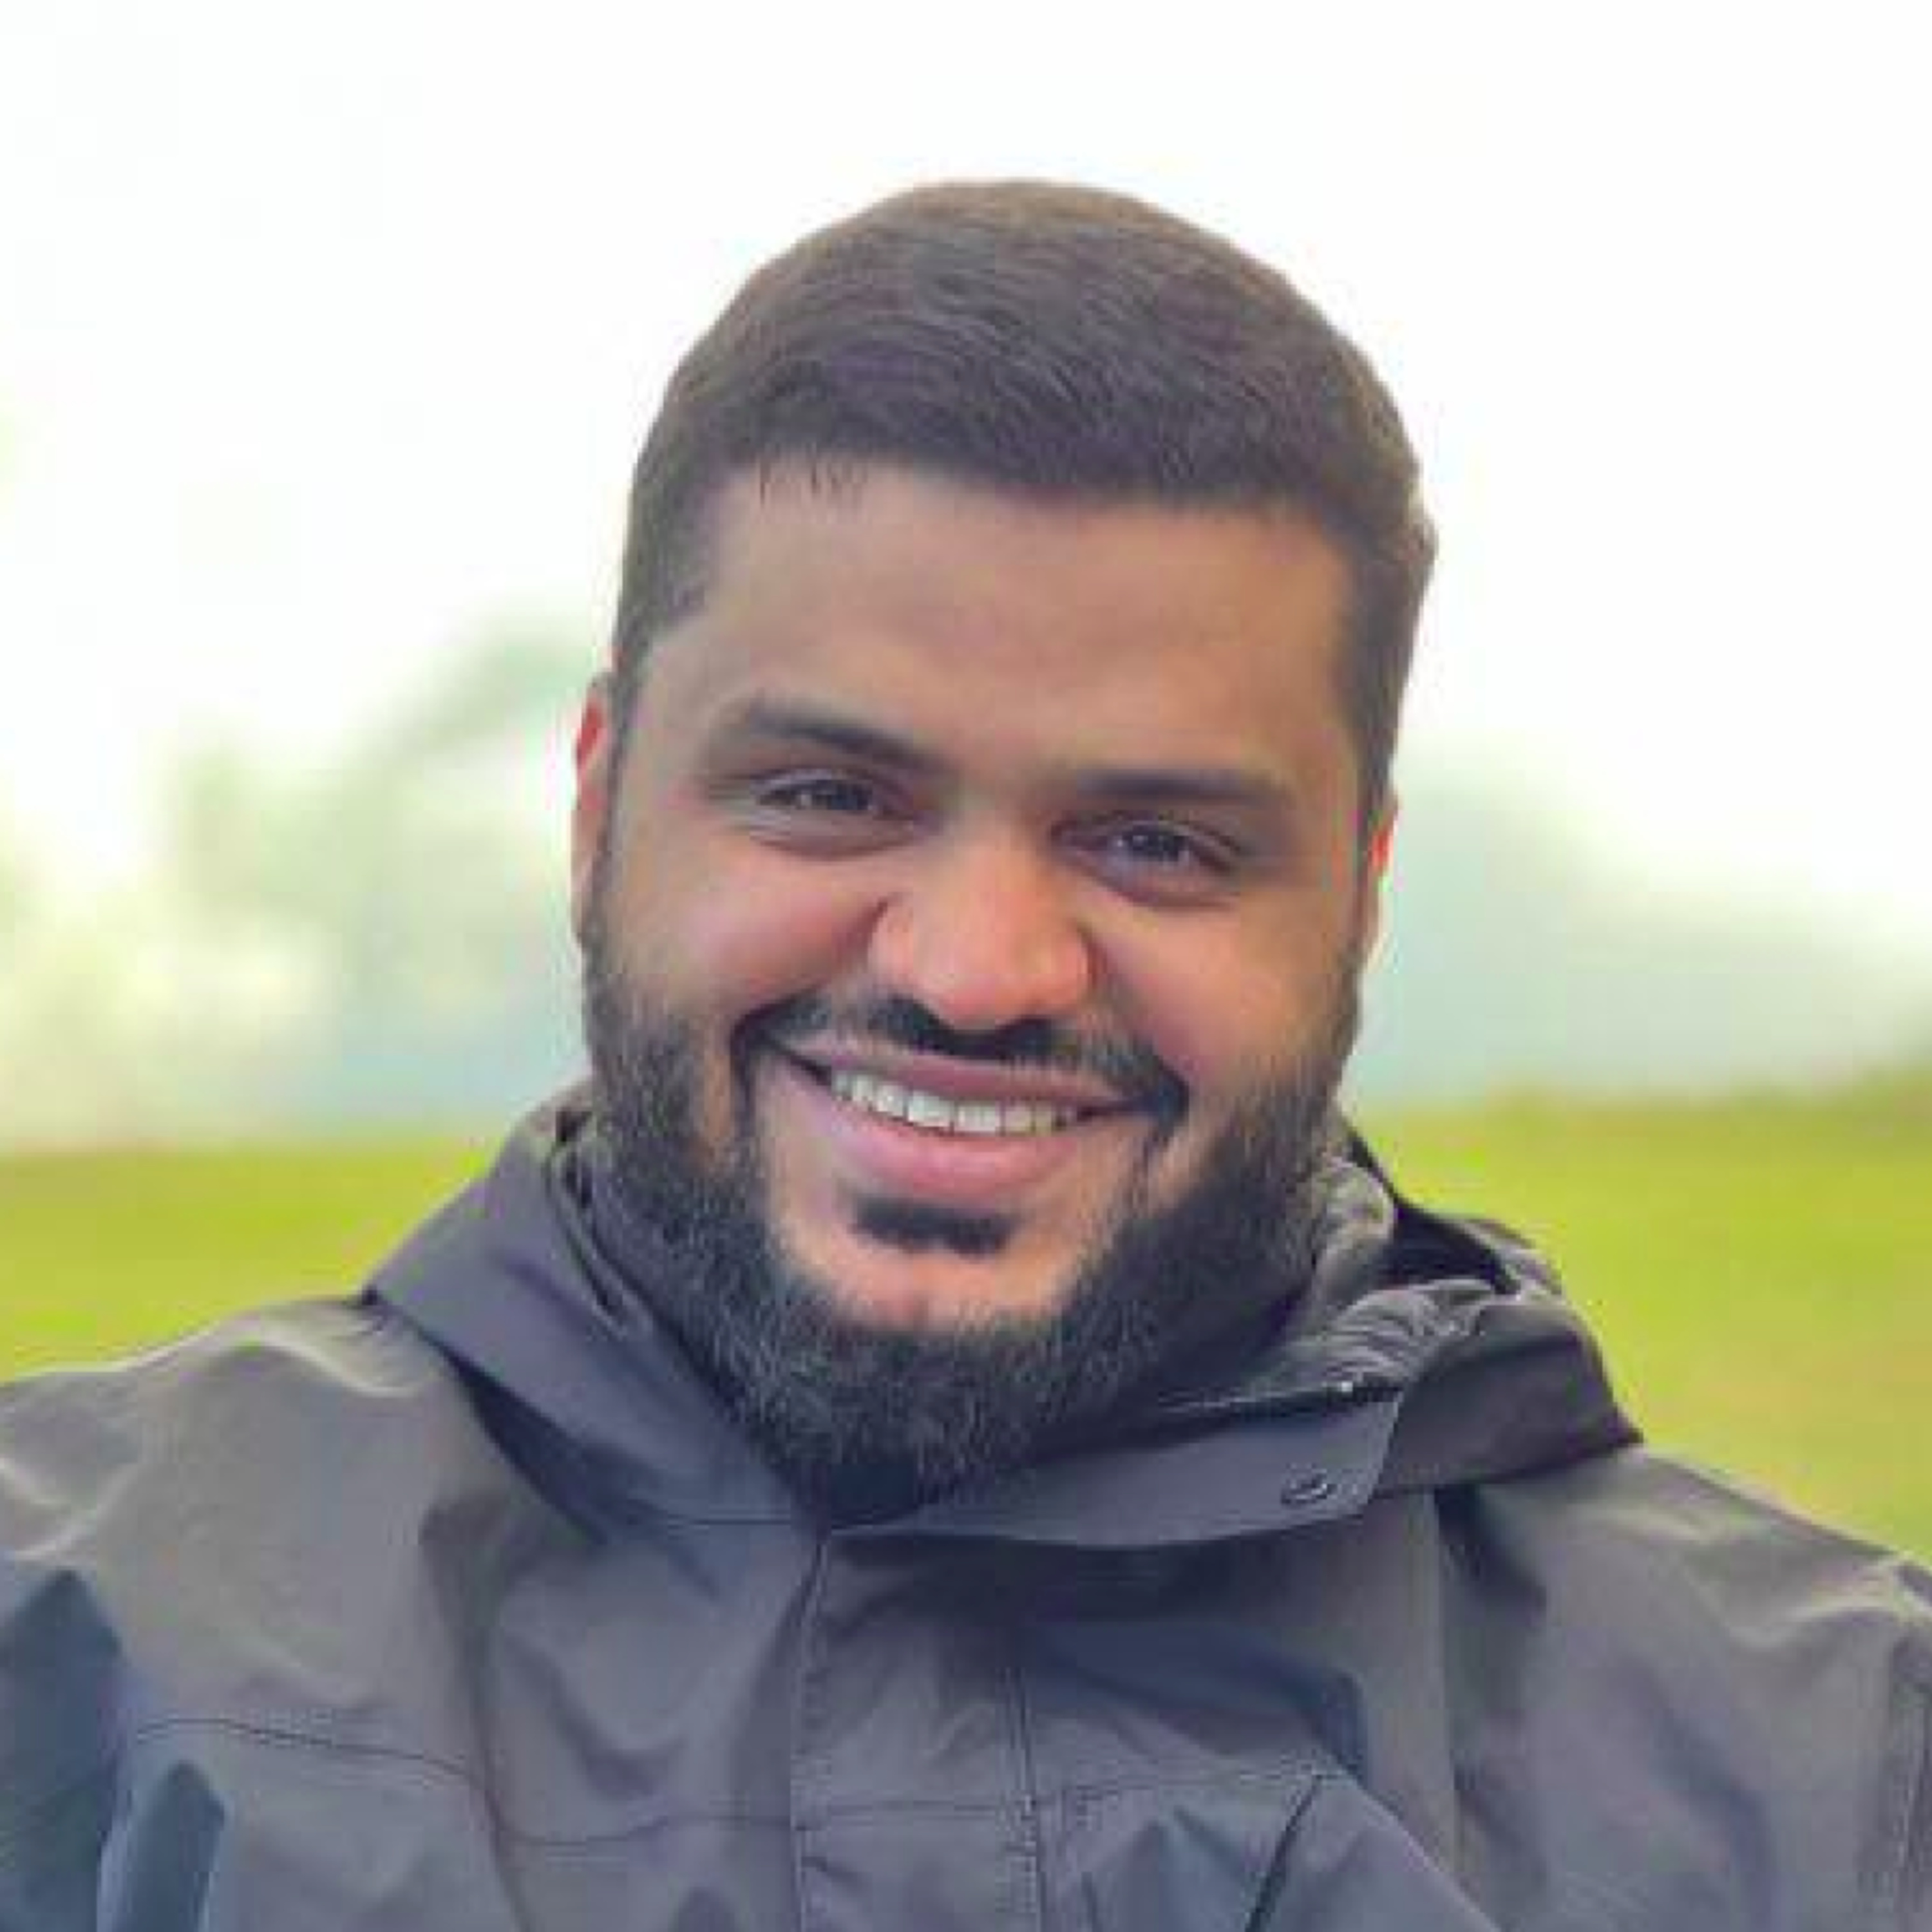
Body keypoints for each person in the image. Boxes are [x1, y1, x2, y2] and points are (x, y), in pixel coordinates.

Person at [1, 181, 1926, 1931]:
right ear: (597, 807)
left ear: (1359, 893)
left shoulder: (1845, 1771)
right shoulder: (63, 1636)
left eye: (1156, 842)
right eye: (831, 795)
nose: (981, 970)